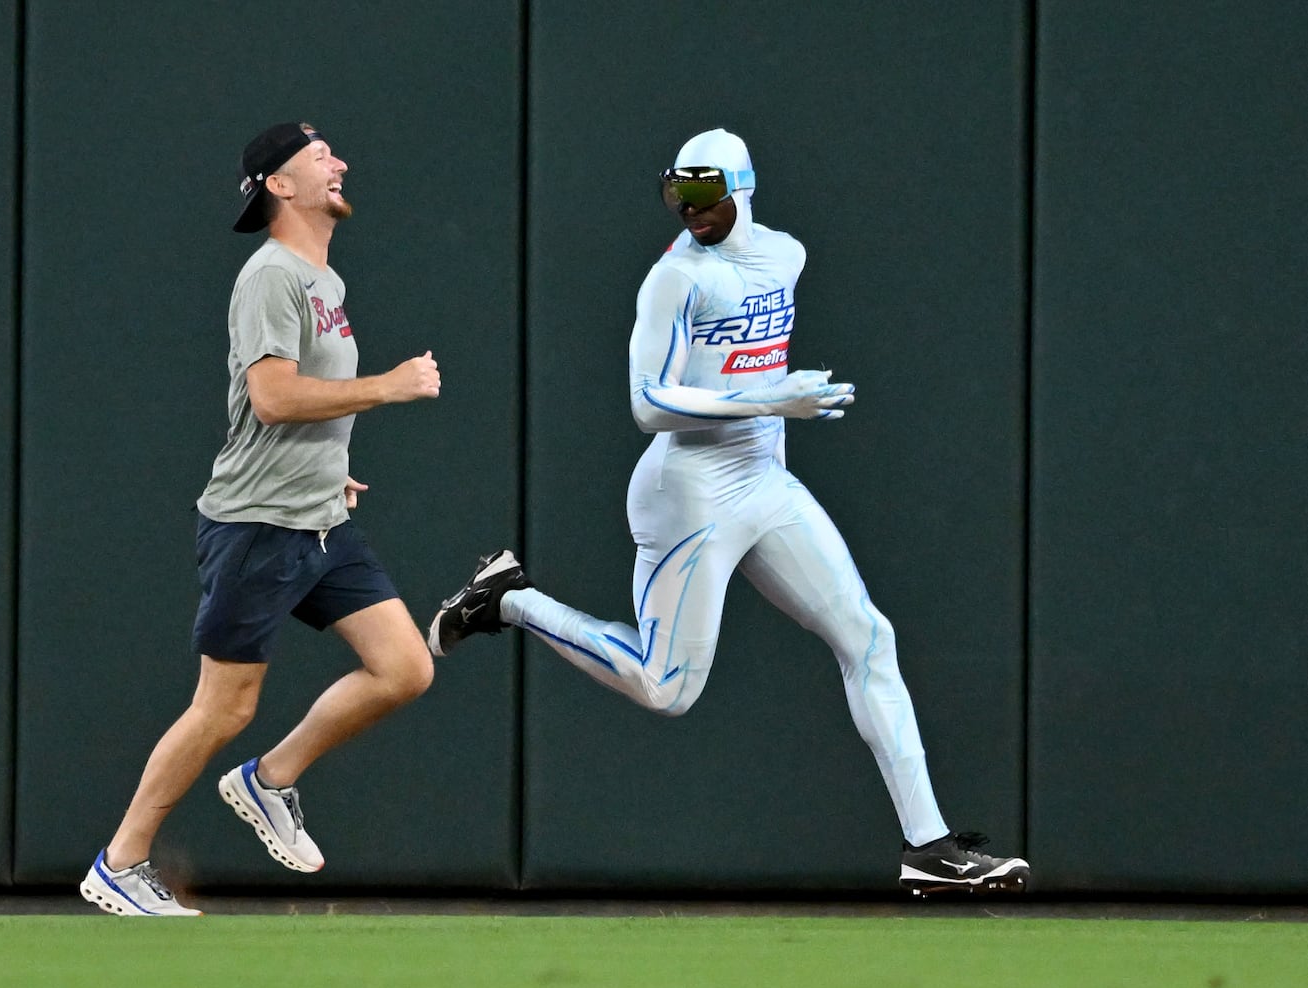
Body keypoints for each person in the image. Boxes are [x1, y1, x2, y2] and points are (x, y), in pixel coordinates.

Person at [429, 128, 1029, 896]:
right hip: (687, 493)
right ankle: (509, 599)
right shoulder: (674, 279)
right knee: (664, 689)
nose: (689, 211)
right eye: (677, 194)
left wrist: (768, 402)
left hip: (762, 480)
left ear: (742, 188)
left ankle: (928, 847)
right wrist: (769, 396)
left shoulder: (786, 254)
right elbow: (648, 404)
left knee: (867, 636)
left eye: (705, 194)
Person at [80, 122, 441, 916]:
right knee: (224, 707)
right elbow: (275, 398)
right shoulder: (271, 275)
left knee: (404, 669)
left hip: (319, 520)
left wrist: (331, 466)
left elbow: (296, 407)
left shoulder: (324, 281)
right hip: (257, 528)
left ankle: (269, 778)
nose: (340, 162)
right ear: (280, 185)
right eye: (320, 158)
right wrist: (388, 386)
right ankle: (121, 861)